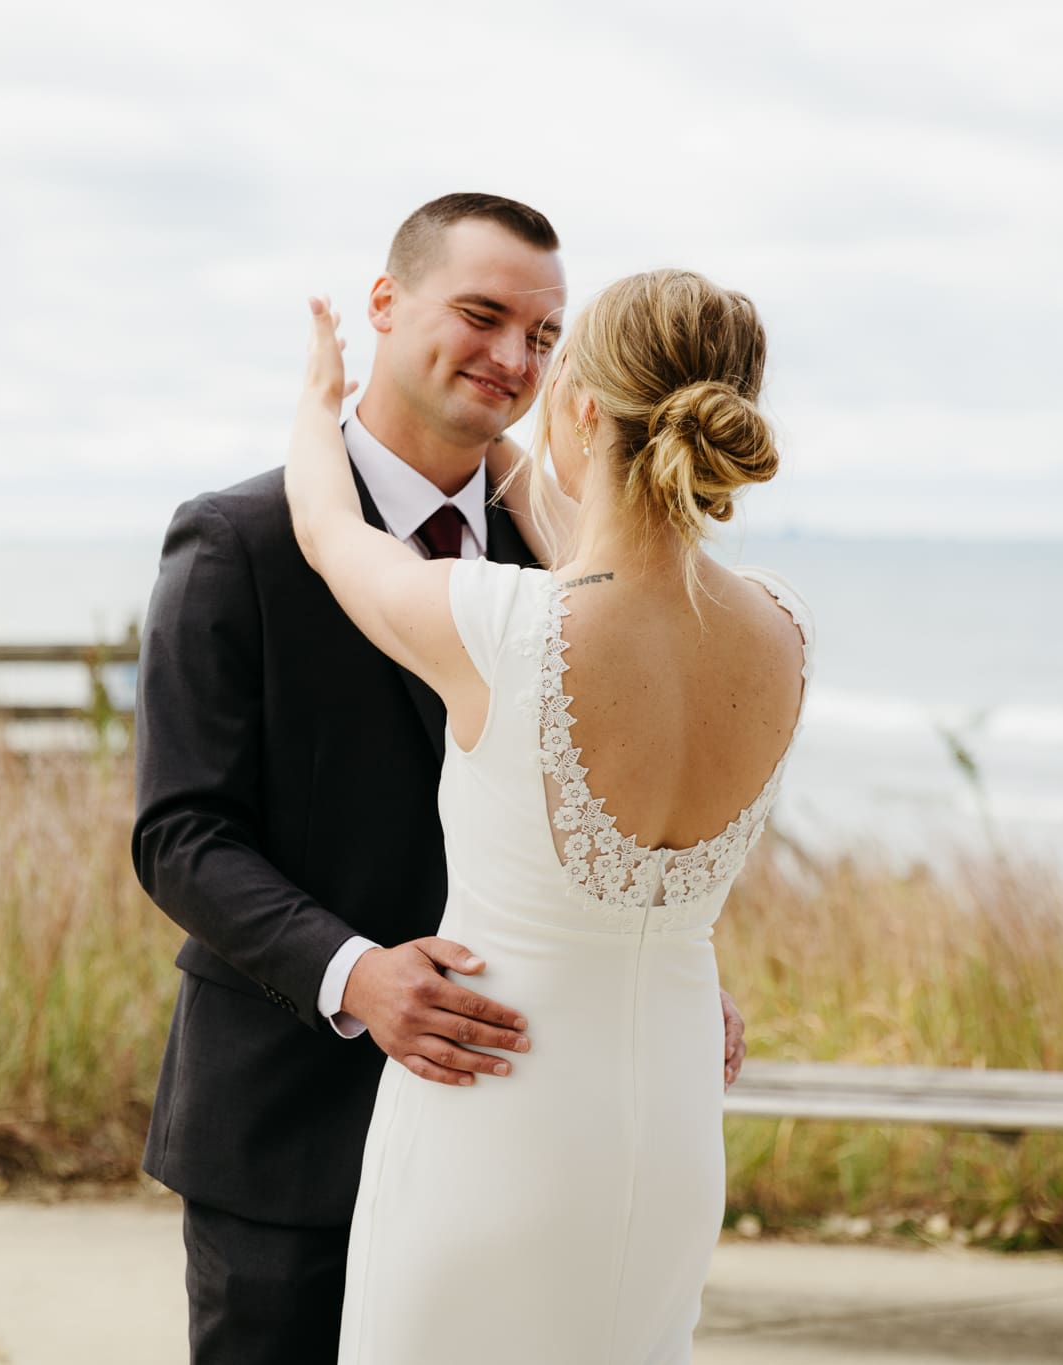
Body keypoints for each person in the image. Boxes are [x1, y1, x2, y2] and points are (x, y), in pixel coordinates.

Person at [131, 193, 750, 1363]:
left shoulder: (574, 563)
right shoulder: (240, 539)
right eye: (481, 314)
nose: (513, 358)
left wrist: (650, 952)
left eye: (542, 334)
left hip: (522, 1131)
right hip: (290, 1117)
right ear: (382, 302)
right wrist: (355, 976)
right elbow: (179, 834)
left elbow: (642, 797)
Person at [285, 264, 812, 1362]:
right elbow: (605, 551)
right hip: (668, 1118)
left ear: (577, 403)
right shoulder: (779, 634)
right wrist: (535, 446)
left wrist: (317, 398)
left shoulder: (497, 624)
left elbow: (332, 532)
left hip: (494, 1105)